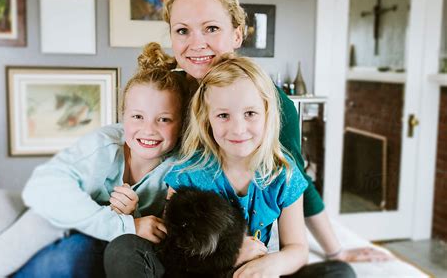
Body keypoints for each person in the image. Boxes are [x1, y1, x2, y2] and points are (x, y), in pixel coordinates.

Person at [160, 0, 389, 262]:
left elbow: (295, 177)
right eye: (182, 31)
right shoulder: (165, 93)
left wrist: (336, 251)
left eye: (212, 28)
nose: (197, 43)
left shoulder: (271, 104)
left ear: (237, 35)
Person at [105, 55, 353, 277]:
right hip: (202, 272)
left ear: (268, 113)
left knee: (338, 272)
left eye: (250, 114)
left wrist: (273, 265)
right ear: (207, 118)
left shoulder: (284, 175)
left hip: (252, 273)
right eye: (223, 115)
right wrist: (231, 254)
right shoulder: (188, 174)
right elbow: (175, 253)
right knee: (124, 248)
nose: (238, 129)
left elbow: (297, 249)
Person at [0, 42, 189, 277]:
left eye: (164, 119)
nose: (148, 130)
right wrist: (124, 224)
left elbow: (160, 234)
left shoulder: (179, 164)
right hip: (64, 213)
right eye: (137, 116)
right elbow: (41, 190)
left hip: (88, 233)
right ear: (123, 117)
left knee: (44, 225)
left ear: (181, 124)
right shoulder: (105, 145)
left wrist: (133, 216)